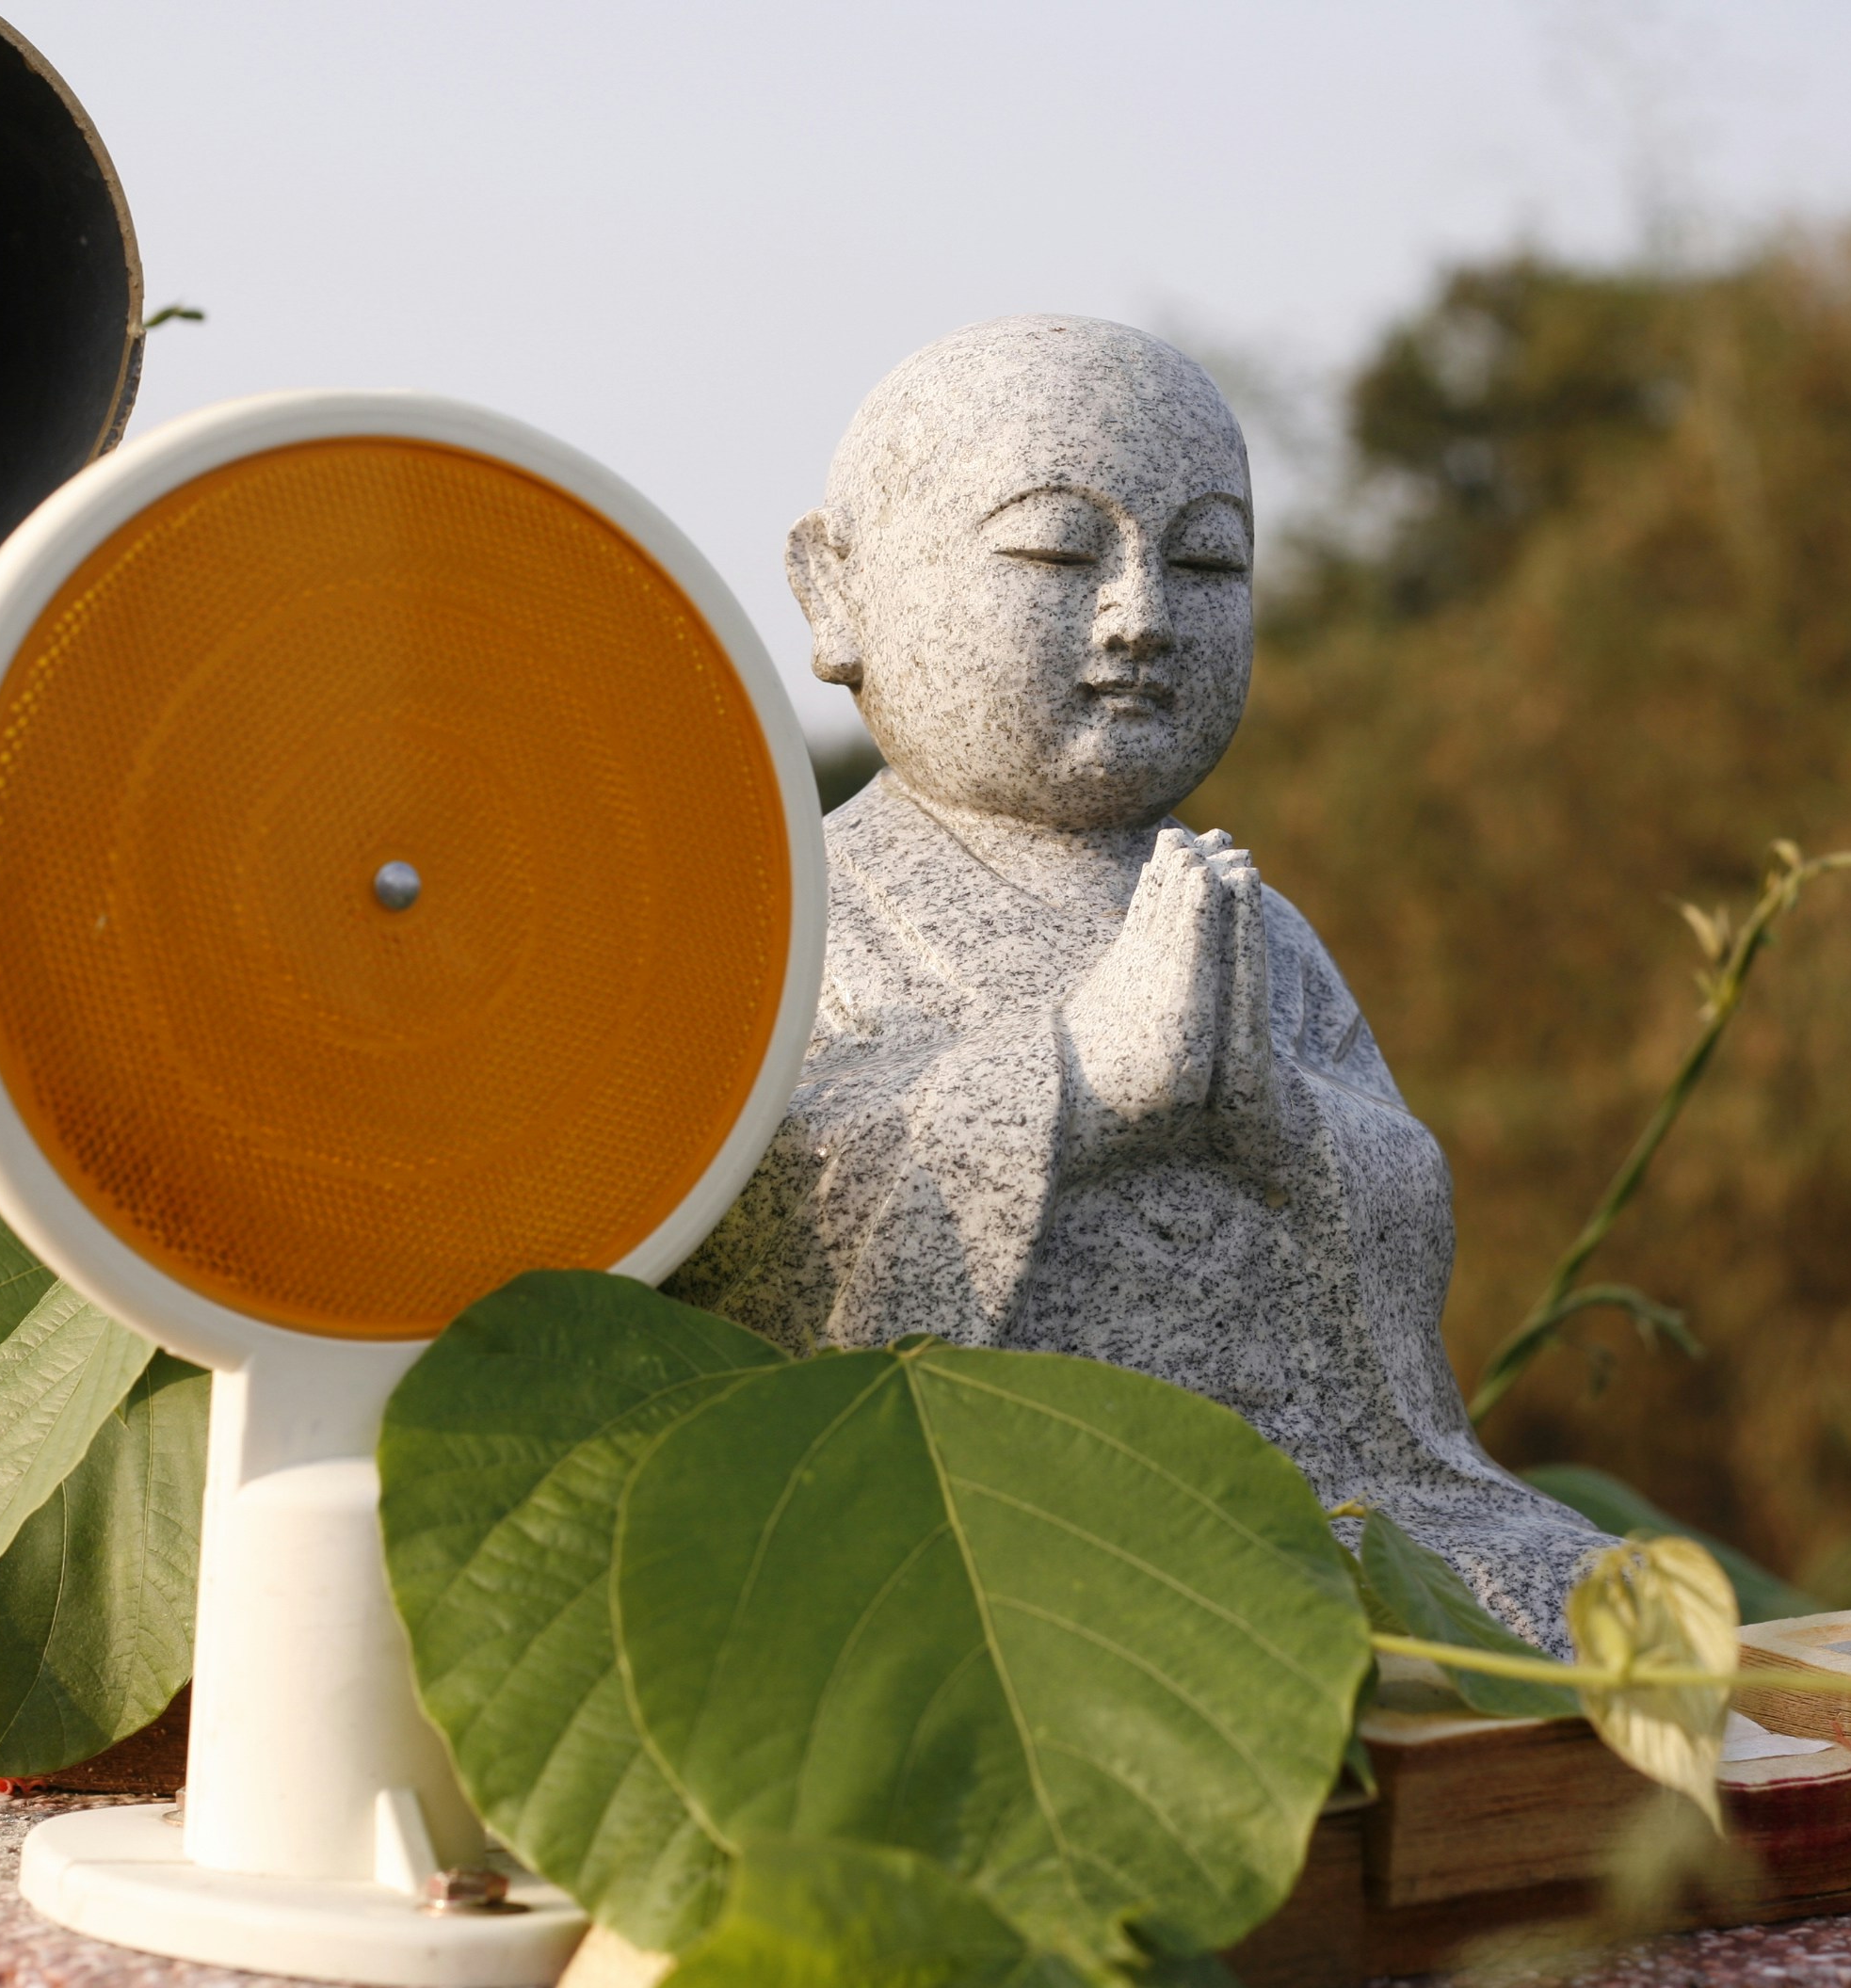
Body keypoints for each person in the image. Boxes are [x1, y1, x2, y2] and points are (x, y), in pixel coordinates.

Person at [667, 314, 1612, 1648]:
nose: (1144, 615)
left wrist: (1276, 1114)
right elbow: (741, 1223)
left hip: (1319, 1501)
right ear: (839, 591)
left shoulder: (1252, 926)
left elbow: (1401, 1202)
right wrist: (1077, 1084)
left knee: (1577, 1593)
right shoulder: (787, 914)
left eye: (1207, 561)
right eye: (1060, 550)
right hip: (965, 1521)